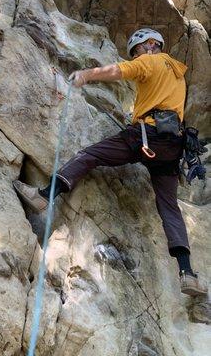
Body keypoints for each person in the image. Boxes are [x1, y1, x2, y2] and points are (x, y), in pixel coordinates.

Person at [13, 28, 208, 296]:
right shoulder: (177, 74)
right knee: (169, 207)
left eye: (137, 50)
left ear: (151, 45)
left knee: (91, 155)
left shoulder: (150, 60)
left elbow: (118, 71)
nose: (137, 55)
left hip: (146, 137)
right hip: (172, 146)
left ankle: (44, 196)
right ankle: (187, 274)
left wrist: (85, 75)